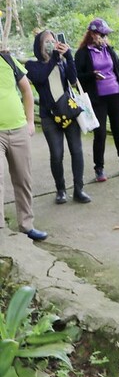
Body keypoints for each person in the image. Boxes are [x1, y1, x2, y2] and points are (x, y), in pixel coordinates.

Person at [25, 31, 91, 205]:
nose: (51, 44)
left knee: (76, 151)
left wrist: (69, 57)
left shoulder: (60, 62)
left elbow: (73, 79)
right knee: (56, 154)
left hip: (68, 112)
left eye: (53, 41)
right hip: (49, 117)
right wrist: (55, 57)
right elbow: (40, 77)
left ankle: (79, 189)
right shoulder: (33, 65)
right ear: (39, 47)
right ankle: (60, 190)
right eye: (47, 42)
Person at [75, 19, 119, 182]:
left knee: (118, 130)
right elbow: (76, 76)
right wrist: (92, 75)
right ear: (92, 34)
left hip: (115, 94)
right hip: (97, 98)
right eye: (102, 34)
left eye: (106, 35)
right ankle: (99, 168)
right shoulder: (83, 53)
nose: (105, 37)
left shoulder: (109, 50)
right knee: (100, 134)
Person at [0, 49, 48, 241]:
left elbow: (26, 90)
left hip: (18, 129)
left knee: (23, 178)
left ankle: (27, 225)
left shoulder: (7, 59)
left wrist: (30, 121)